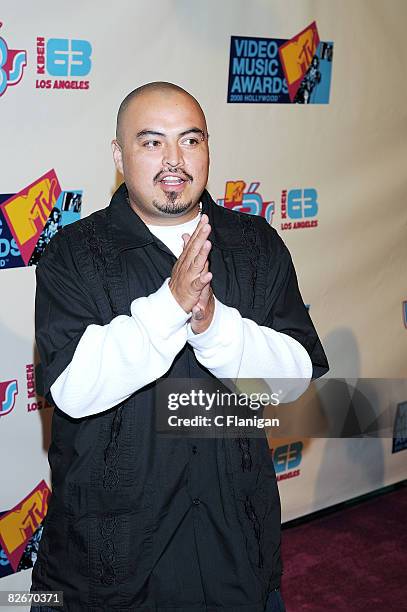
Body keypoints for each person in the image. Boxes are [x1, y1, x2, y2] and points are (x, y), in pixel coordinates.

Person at [30, 82, 329, 612]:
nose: (174, 160)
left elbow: (294, 379)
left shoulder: (255, 244)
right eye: (151, 143)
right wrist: (170, 306)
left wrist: (214, 326)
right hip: (109, 568)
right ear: (119, 155)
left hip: (236, 552)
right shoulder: (73, 254)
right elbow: (72, 390)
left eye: (191, 141)